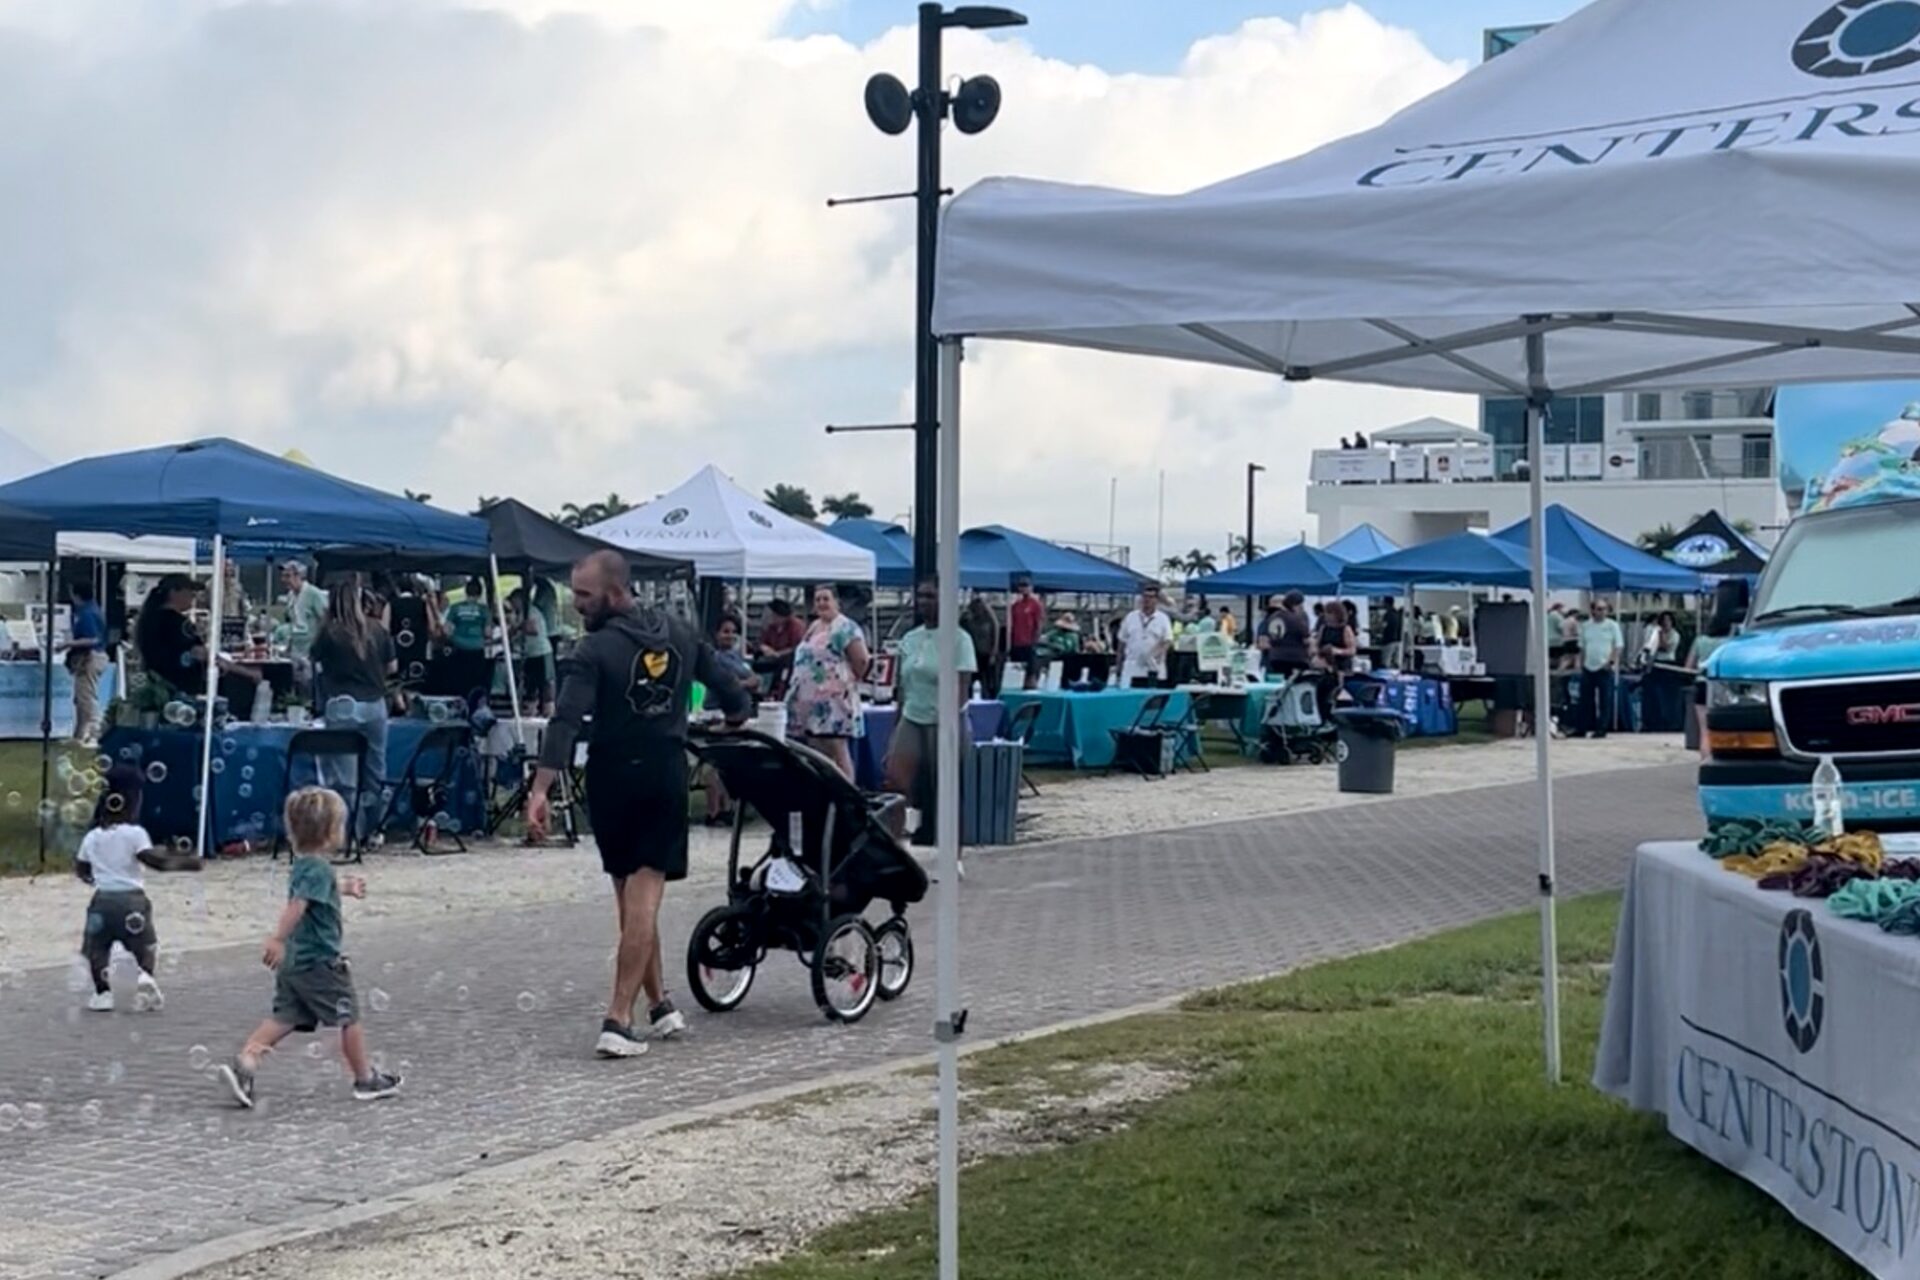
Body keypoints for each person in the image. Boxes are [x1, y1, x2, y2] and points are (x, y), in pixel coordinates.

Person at [525, 550, 750, 1059]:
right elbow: (731, 693)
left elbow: (565, 721)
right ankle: (637, 1012)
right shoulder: (681, 633)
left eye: (584, 595)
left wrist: (541, 788)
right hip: (661, 773)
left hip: (610, 777)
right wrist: (735, 720)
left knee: (633, 901)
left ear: (616, 590)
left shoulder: (594, 651)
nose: (578, 605)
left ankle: (636, 1012)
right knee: (641, 903)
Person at [214, 788, 402, 1108]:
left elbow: (315, 891)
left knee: (285, 1017)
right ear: (330, 832)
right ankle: (365, 1078)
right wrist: (277, 938)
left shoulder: (304, 865)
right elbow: (298, 906)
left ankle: (246, 1064)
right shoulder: (319, 868)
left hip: (295, 965)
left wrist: (345, 888)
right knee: (349, 1017)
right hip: (320, 963)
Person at [885, 580, 977, 847]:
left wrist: (946, 725)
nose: (923, 601)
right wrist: (896, 726)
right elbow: (903, 687)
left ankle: (951, 852)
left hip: (944, 721)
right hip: (913, 715)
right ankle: (901, 844)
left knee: (945, 790)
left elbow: (962, 686)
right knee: (897, 781)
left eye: (930, 596)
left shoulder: (960, 639)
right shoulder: (910, 638)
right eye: (920, 596)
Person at [308, 578, 397, 847]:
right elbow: (392, 667)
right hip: (375, 704)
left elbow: (312, 662)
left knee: (345, 778)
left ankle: (350, 834)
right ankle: (374, 829)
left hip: (343, 703)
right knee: (375, 771)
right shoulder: (377, 631)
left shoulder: (330, 633)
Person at [75, 766, 170, 1014]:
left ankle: (102, 993)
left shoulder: (93, 836)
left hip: (102, 899)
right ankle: (145, 977)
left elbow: (81, 868)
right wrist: (183, 860)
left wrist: (96, 879)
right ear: (134, 802)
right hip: (133, 899)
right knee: (144, 944)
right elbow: (152, 860)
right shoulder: (136, 834)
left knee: (96, 948)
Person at [135, 574, 262, 714]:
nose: (193, 595)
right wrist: (246, 672)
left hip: (156, 687)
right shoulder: (178, 623)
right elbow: (200, 653)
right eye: (189, 591)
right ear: (174, 592)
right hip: (180, 691)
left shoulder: (149, 619)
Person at [787, 585, 871, 779]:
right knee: (816, 751)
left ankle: (847, 796)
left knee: (836, 749)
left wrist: (844, 681)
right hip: (808, 702)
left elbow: (862, 660)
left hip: (834, 702)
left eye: (826, 599)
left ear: (837, 603)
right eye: (817, 600)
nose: (821, 603)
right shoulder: (814, 626)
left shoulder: (846, 626)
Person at [703, 614, 760, 827]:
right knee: (713, 764)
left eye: (732, 631)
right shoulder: (715, 658)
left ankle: (726, 808)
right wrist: (747, 683)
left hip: (738, 714)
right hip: (717, 713)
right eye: (725, 631)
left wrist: (746, 683)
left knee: (726, 764)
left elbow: (754, 680)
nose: (729, 635)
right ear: (716, 634)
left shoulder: (736, 657)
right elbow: (730, 683)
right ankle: (713, 811)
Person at [1688, 593, 1740, 762]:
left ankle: (1705, 762)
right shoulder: (1730, 642)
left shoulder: (1700, 640)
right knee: (1722, 729)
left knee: (1704, 730)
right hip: (1720, 687)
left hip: (1701, 686)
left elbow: (1688, 666)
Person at [1575, 599, 1624, 738]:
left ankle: (1602, 729)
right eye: (1599, 609)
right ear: (1592, 610)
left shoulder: (1612, 625)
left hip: (1604, 667)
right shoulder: (1586, 626)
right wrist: (1581, 663)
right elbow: (1582, 646)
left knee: (1605, 700)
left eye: (1604, 609)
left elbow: (1618, 645)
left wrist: (1611, 661)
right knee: (1585, 700)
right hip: (1588, 667)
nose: (1602, 612)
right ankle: (1582, 727)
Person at [66, 582, 107, 746]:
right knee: (81, 698)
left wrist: (68, 644)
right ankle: (79, 736)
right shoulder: (92, 610)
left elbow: (93, 639)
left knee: (87, 697)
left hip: (90, 657)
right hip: (93, 656)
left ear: (76, 595)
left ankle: (94, 735)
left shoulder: (87, 613)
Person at [280, 562, 329, 693]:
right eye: (283, 576)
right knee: (296, 685)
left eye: (288, 576)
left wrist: (318, 646)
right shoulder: (290, 596)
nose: (284, 580)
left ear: (299, 576)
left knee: (309, 687)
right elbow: (293, 622)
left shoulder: (314, 594)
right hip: (295, 650)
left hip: (310, 651)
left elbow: (325, 620)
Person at [441, 577, 494, 700]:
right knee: (476, 681)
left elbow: (446, 630)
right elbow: (488, 633)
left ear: (466, 591)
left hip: (459, 648)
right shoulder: (484, 610)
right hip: (477, 649)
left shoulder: (455, 607)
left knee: (460, 679)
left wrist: (453, 637)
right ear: (480, 593)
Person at [1116, 585, 1173, 687]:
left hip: (1153, 669)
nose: (1147, 600)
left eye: (1151, 597)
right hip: (1132, 668)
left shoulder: (1163, 619)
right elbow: (1122, 642)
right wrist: (1118, 665)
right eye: (1145, 596)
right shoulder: (1130, 617)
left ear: (1156, 600)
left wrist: (1157, 654)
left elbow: (1167, 640)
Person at [510, 587, 554, 717]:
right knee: (530, 684)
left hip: (541, 652)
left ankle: (548, 711)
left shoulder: (531, 611)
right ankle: (531, 710)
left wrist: (518, 627)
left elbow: (533, 629)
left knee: (545, 682)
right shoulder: (520, 613)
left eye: (514, 600)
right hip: (530, 654)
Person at [1312, 599, 1358, 720]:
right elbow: (1317, 644)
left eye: (1329, 613)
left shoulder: (1346, 629)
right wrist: (1316, 651)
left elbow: (1352, 650)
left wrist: (1338, 651)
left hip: (1340, 667)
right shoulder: (1323, 628)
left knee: (1335, 694)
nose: (1326, 616)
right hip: (1324, 666)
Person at [755, 597, 806, 698]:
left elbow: (798, 647)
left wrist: (779, 654)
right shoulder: (770, 627)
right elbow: (761, 642)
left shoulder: (796, 626)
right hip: (771, 660)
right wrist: (764, 647)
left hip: (790, 662)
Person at [1259, 592, 1311, 677]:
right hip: (1296, 658)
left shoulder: (1272, 618)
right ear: (1295, 605)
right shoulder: (1297, 618)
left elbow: (1265, 641)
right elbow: (1306, 638)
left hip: (1275, 658)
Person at [962, 593, 1002, 699]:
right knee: (971, 679)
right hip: (973, 654)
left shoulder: (989, 620)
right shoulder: (968, 620)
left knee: (987, 680)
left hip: (986, 654)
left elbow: (995, 631)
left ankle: (989, 696)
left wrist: (993, 653)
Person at [1007, 579, 1044, 691]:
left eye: (1026, 586)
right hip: (1017, 642)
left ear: (1031, 588)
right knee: (1017, 670)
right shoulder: (1015, 606)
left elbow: (1039, 623)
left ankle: (1031, 685)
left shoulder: (1035, 604)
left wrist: (1035, 639)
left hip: (1029, 642)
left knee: (1030, 670)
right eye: (1021, 586)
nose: (1023, 589)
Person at [1378, 595, 1405, 671]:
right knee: (1396, 663)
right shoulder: (1398, 614)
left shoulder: (1387, 615)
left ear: (1386, 603)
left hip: (1389, 640)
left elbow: (1383, 627)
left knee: (1386, 663)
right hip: (1398, 640)